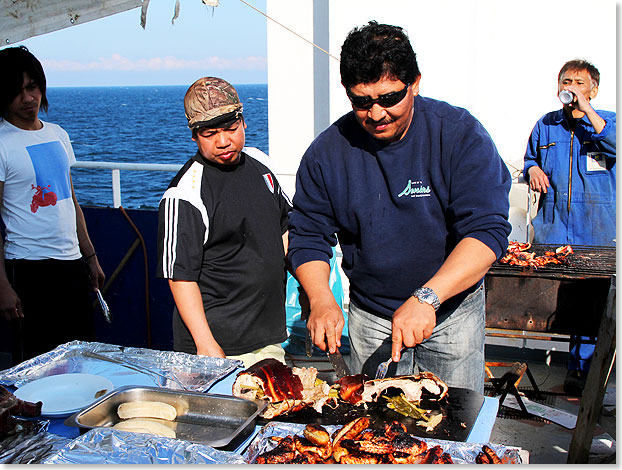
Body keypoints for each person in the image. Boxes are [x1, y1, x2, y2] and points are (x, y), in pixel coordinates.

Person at [287, 21, 511, 392]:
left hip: (451, 313)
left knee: (454, 431)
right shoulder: (326, 153)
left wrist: (427, 297)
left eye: (389, 98)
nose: (376, 114)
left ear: (415, 83)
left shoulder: (459, 134)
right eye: (362, 101)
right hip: (370, 316)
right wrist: (321, 297)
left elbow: (486, 232)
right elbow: (309, 235)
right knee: (373, 434)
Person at [156, 77, 291, 368]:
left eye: (230, 128)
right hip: (217, 346)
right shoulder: (184, 193)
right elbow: (180, 276)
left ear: (244, 123)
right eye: (210, 133)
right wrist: (206, 343)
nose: (223, 141)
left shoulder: (260, 164)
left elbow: (285, 227)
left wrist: (306, 291)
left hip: (269, 337)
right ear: (194, 136)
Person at [0, 46, 105, 365]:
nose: (28, 98)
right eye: (17, 91)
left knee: (80, 356)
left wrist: (90, 257)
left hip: (71, 264)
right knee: (37, 365)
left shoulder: (58, 135)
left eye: (32, 87)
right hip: (28, 267)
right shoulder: (2, 142)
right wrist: (2, 284)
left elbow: (69, 200)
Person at [523, 59, 616, 395]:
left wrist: (587, 108)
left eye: (580, 81)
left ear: (593, 89)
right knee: (558, 305)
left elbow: (614, 144)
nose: (571, 86)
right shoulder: (546, 126)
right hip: (554, 228)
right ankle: (569, 378)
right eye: (566, 80)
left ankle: (586, 384)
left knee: (592, 312)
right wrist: (531, 169)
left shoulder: (608, 123)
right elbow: (530, 158)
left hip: (597, 233)